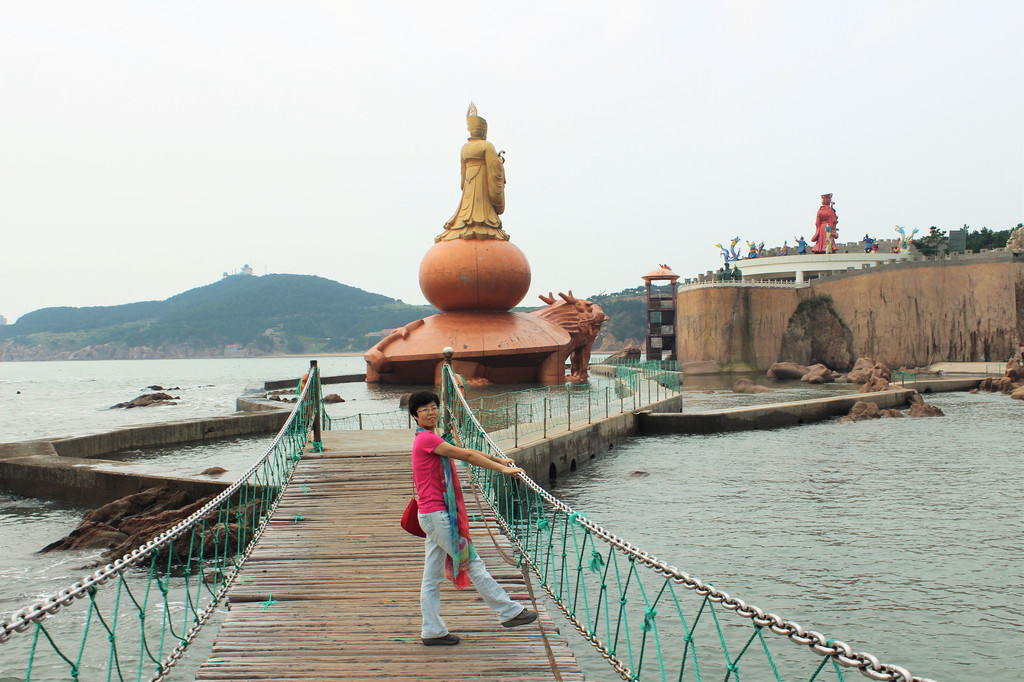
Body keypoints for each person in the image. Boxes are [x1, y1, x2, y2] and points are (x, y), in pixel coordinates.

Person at [408, 390, 537, 646]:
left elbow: (462, 450)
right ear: (415, 415)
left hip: (433, 516)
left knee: (432, 578)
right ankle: (508, 612)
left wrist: (497, 457)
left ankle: (432, 630)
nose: (431, 412)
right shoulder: (426, 440)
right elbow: (465, 456)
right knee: (473, 563)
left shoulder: (430, 437)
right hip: (437, 517)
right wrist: (502, 469)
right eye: (425, 409)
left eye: (434, 406)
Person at [436, 104, 509, 242]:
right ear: (483, 132)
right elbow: (494, 170)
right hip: (481, 182)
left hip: (469, 184)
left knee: (469, 205)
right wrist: (499, 162)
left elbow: (463, 177)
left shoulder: (465, 148)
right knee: (482, 208)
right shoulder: (486, 146)